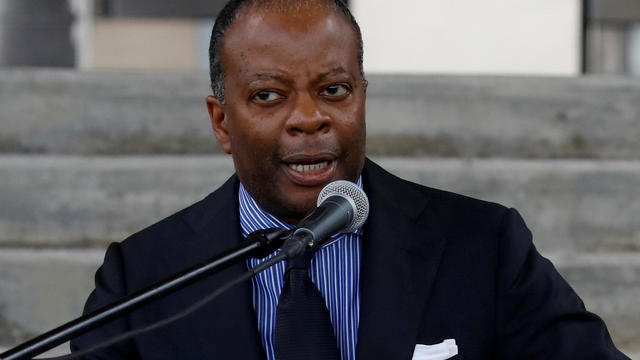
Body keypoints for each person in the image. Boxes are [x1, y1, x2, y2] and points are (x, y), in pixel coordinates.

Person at [71, 0, 630, 359]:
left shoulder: (483, 247)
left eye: (334, 90)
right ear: (222, 122)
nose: (310, 117)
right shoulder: (143, 278)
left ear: (361, 99)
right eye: (269, 96)